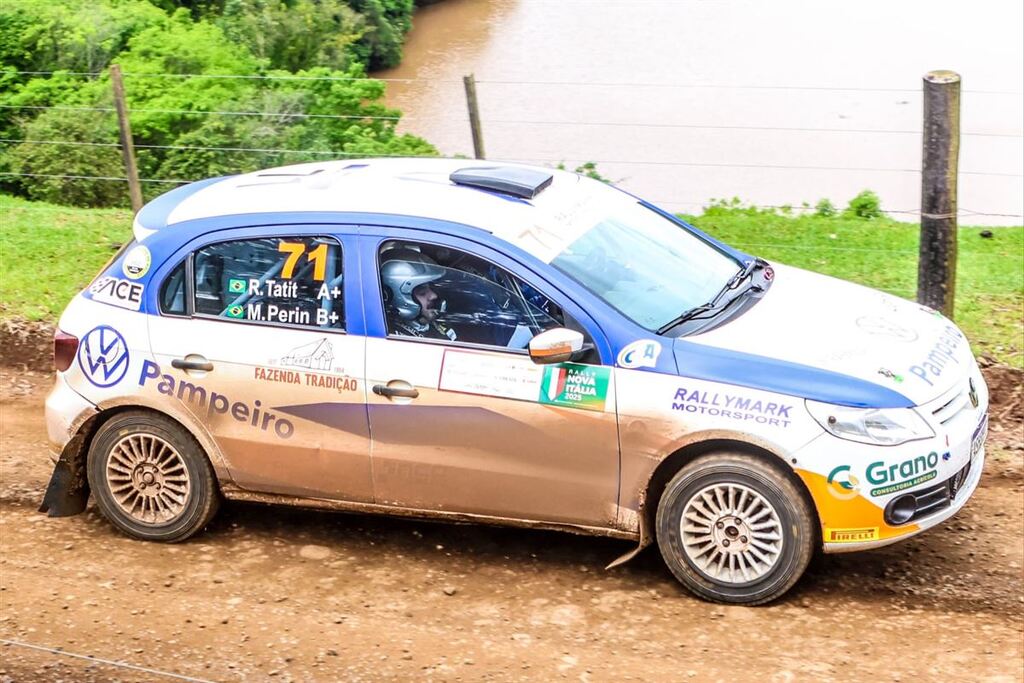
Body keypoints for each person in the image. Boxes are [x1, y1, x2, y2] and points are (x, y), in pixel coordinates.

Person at [380, 248, 459, 341]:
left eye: (431, 288)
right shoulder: (393, 339)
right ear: (400, 298)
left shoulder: (440, 326)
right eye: (422, 292)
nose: (433, 295)